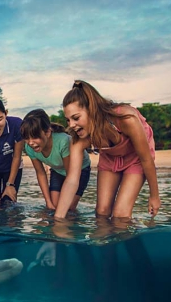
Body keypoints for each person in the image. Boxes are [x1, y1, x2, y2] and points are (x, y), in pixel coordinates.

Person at [54, 80, 160, 220]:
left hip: (136, 158)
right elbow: (72, 180)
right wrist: (58, 219)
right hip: (110, 157)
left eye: (76, 118)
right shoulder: (79, 138)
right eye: (68, 120)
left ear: (92, 110)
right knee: (102, 212)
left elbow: (146, 159)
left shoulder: (126, 119)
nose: (72, 125)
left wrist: (154, 196)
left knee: (120, 215)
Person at [21, 109, 91, 210]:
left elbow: (70, 176)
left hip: (79, 171)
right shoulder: (29, 148)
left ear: (47, 132)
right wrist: (48, 202)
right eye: (27, 138)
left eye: (35, 137)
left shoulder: (63, 142)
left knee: (68, 208)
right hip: (57, 170)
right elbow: (40, 173)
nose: (31, 142)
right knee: (52, 207)